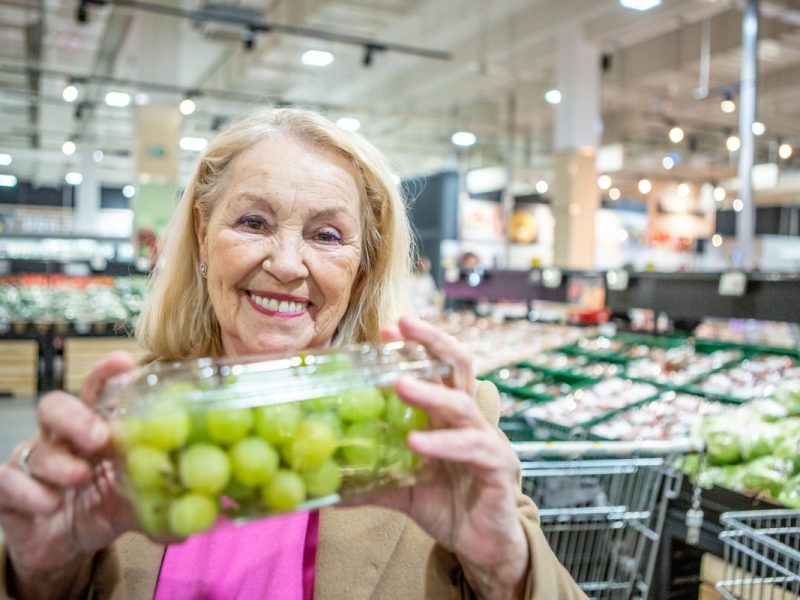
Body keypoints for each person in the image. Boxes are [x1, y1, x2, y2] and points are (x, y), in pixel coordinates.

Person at [0, 108, 586, 599]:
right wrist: (43, 571)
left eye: (327, 235)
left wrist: (503, 564)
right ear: (203, 236)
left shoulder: (436, 416)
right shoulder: (126, 420)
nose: (285, 263)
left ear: (362, 266)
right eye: (253, 222)